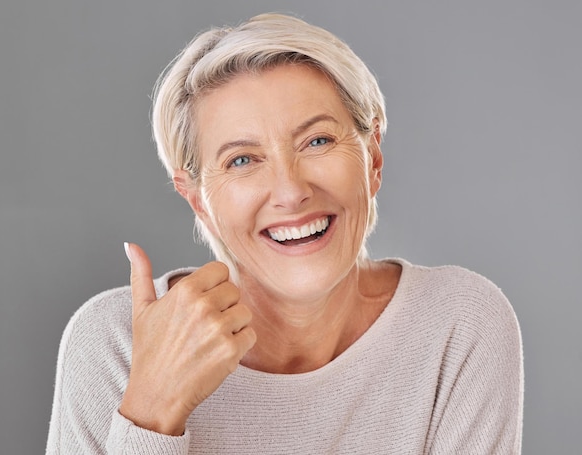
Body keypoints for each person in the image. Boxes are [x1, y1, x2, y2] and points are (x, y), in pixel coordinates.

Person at [46, 13, 523, 454]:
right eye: (242, 160)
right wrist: (149, 415)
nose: (291, 191)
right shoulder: (114, 345)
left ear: (373, 159)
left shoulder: (458, 326)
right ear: (197, 200)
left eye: (317, 140)